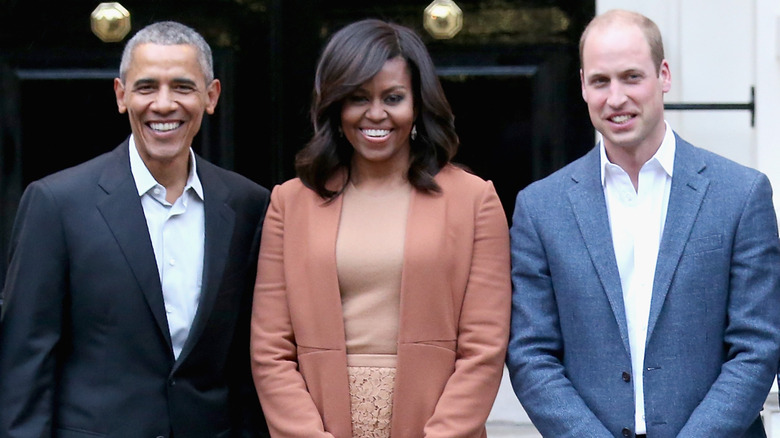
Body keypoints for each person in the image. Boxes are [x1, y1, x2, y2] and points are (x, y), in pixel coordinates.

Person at [506, 9, 780, 438]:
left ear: (664, 75)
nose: (616, 98)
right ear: (582, 85)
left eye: (632, 77)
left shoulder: (740, 196)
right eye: (600, 81)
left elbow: (758, 348)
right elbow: (530, 354)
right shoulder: (541, 208)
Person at [0, 21, 270, 438]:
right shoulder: (56, 204)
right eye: (146, 87)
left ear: (211, 96)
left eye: (182, 87)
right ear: (121, 95)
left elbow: (248, 363)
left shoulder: (249, 206)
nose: (164, 104)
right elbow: (26, 362)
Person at [250, 18, 511, 437]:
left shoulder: (474, 201)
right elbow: (271, 351)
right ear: (336, 107)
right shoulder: (289, 203)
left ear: (418, 104)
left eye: (393, 97)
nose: (376, 114)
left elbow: (484, 348)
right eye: (357, 98)